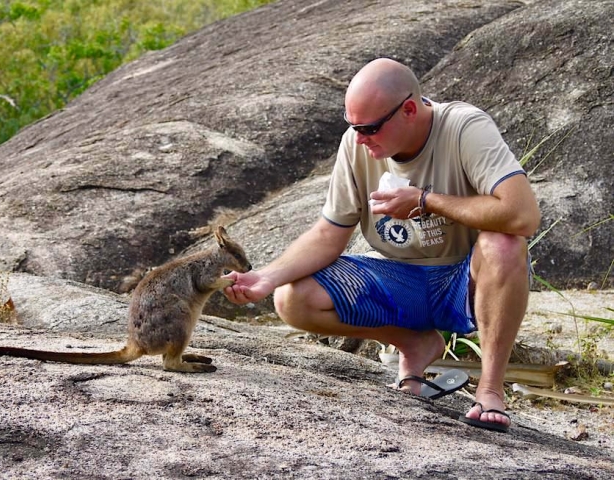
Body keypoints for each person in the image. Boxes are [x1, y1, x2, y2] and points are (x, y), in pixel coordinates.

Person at [223, 57, 541, 433]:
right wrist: (266, 277)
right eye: (353, 126)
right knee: (291, 298)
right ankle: (414, 345)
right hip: (400, 279)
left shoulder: (463, 127)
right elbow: (328, 234)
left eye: (370, 127)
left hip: (464, 280)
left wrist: (426, 200)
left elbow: (523, 216)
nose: (360, 138)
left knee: (504, 244)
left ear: (409, 109)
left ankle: (490, 389)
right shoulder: (356, 145)